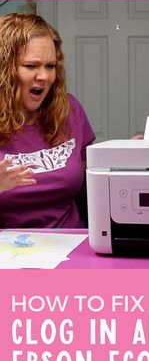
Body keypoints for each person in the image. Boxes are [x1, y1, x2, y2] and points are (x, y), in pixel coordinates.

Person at [0, 13, 95, 229]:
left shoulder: (70, 110)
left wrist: (126, 158)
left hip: (70, 245)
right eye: (31, 66)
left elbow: (92, 174)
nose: (43, 76)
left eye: (50, 66)